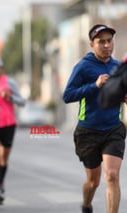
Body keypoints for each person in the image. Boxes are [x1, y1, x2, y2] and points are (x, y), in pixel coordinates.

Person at [63, 24, 126, 213]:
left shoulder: (118, 67)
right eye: (101, 42)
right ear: (92, 44)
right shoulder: (83, 67)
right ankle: (87, 204)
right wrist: (95, 85)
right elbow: (68, 95)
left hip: (113, 128)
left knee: (112, 176)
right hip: (88, 131)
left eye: (109, 41)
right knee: (93, 181)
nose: (107, 45)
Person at [0, 56, 25, 205]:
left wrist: (10, 97)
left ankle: (1, 183)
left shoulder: (9, 82)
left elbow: (22, 101)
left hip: (8, 124)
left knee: (3, 159)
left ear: (1, 68)